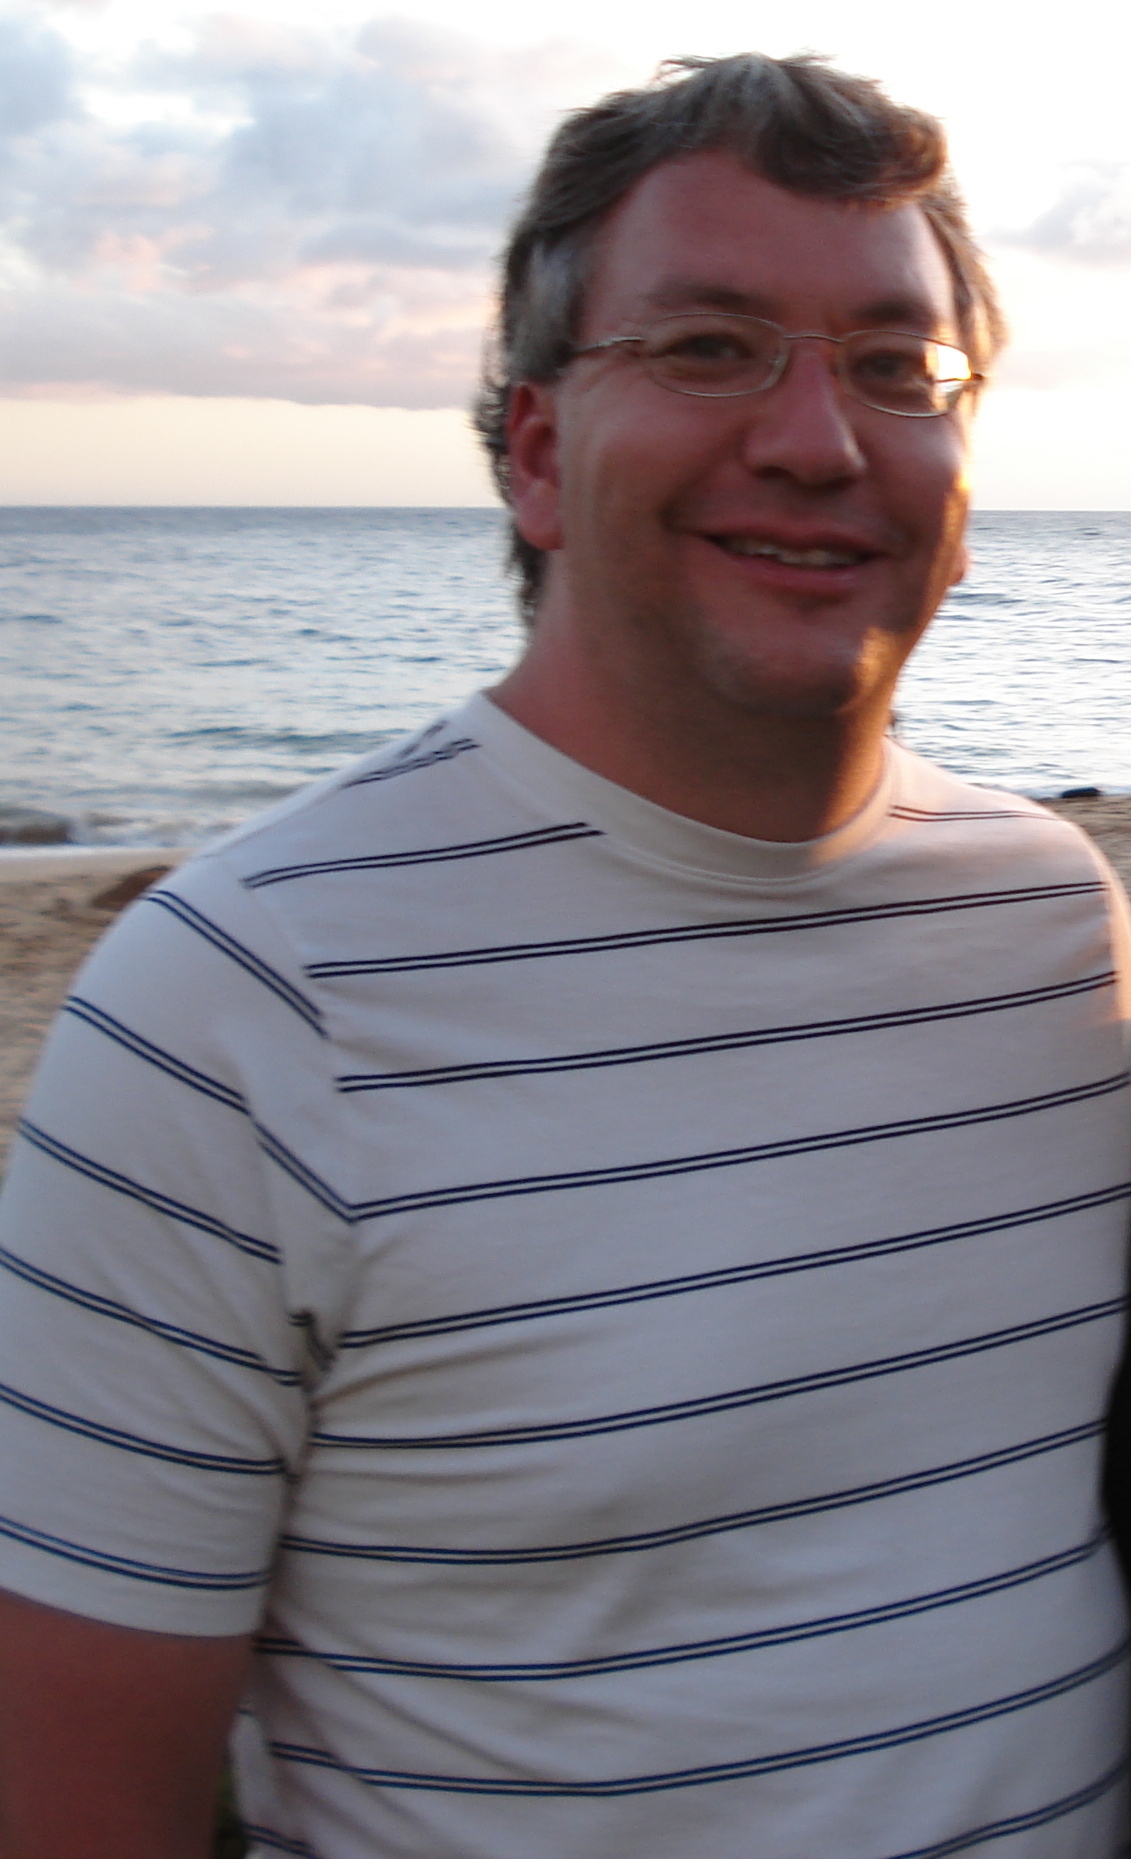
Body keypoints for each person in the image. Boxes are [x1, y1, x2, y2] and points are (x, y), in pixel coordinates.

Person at [0, 51, 1128, 1859]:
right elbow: (76, 1802)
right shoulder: (238, 1007)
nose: (818, 440)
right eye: (708, 347)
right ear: (535, 452)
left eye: (893, 364)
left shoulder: (1052, 927)